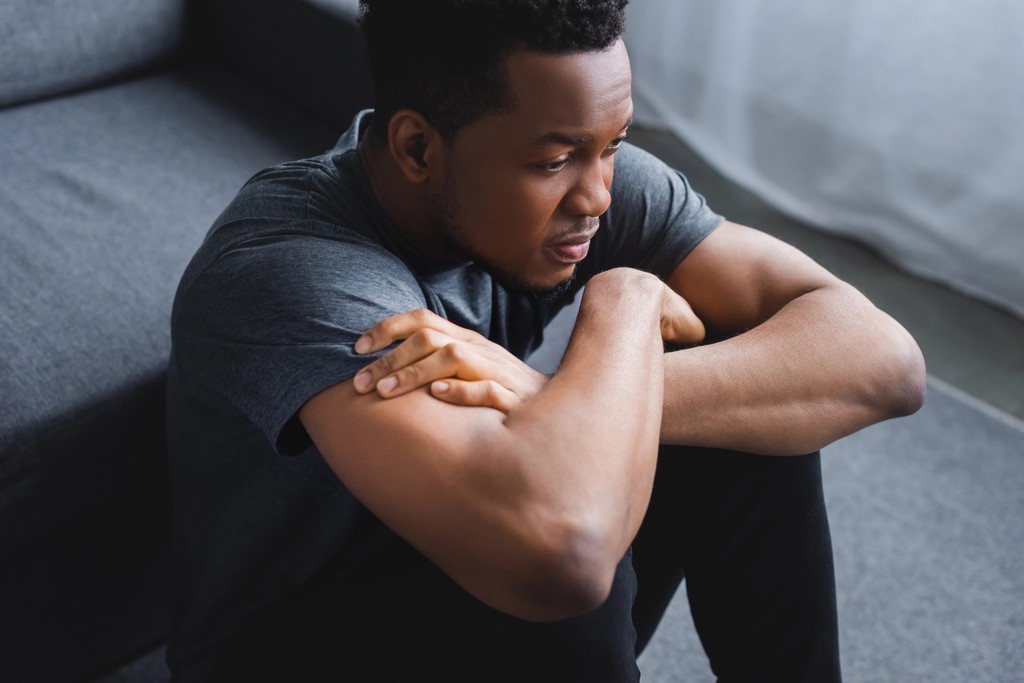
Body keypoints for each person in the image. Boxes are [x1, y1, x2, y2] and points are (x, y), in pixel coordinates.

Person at [165, 1, 926, 680]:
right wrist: (621, 301)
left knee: (741, 385)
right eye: (554, 161)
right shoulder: (295, 270)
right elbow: (560, 555)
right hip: (295, 645)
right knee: (560, 509)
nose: (596, 196)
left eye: (614, 144)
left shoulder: (589, 183)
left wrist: (556, 395)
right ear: (418, 150)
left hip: (489, 563)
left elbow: (886, 361)